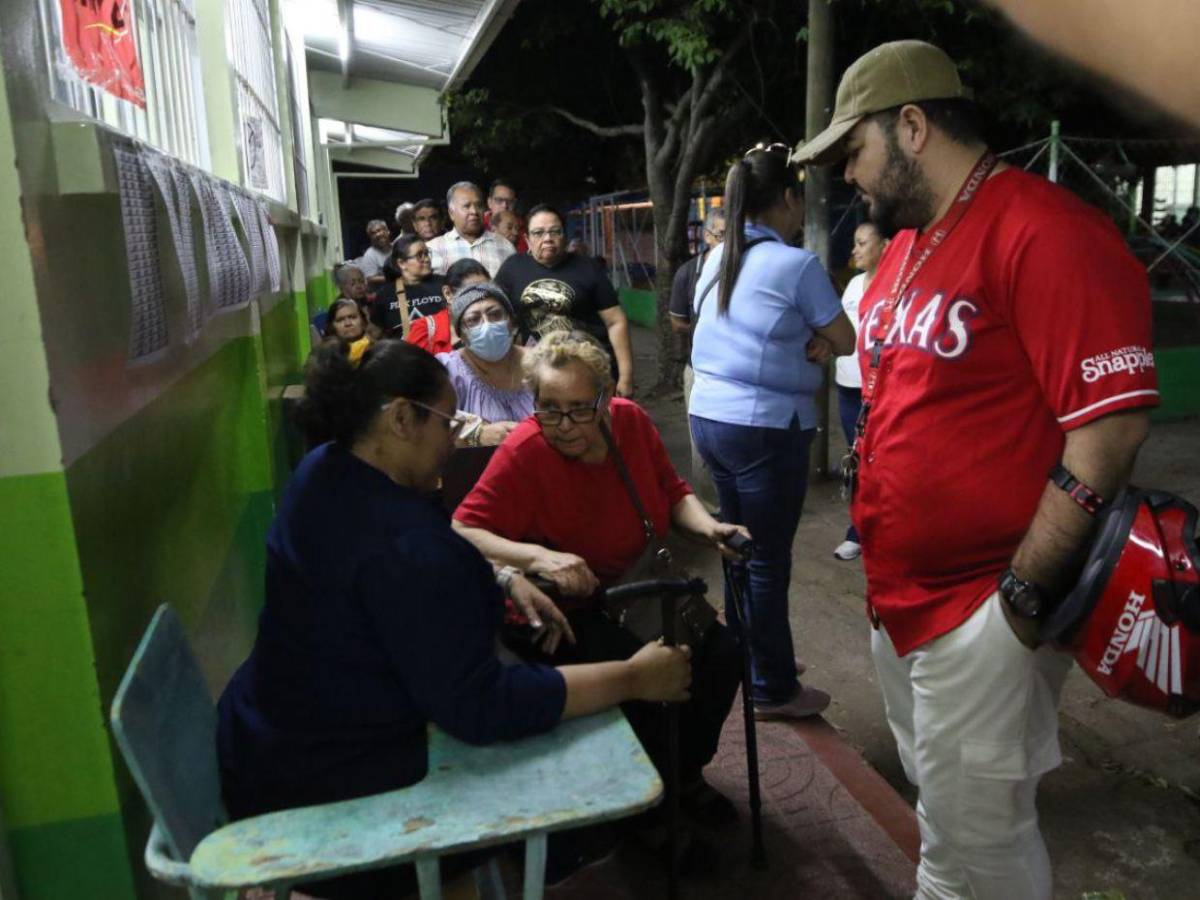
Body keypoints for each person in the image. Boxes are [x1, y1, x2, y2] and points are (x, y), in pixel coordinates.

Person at [793, 40, 1158, 899]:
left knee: (977, 858)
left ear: (912, 127)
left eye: (857, 151)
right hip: (900, 601)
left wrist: (1020, 602)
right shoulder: (913, 244)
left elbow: (1109, 434)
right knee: (947, 817)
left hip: (981, 606)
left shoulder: (1047, 230)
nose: (851, 175)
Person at [217, 338, 692, 898]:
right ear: (400, 419)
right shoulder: (407, 548)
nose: (454, 441)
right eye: (446, 423)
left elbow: (395, 585)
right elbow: (480, 705)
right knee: (559, 788)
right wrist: (634, 677)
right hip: (323, 784)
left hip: (263, 736)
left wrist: (500, 576)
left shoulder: (324, 472)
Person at [452, 330, 746, 832]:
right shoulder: (524, 450)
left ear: (606, 400)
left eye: (579, 409)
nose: (563, 426)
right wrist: (538, 557)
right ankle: (645, 808)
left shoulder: (630, 423)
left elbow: (673, 491)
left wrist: (708, 527)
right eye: (549, 408)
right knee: (649, 683)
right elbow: (461, 528)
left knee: (722, 657)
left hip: (643, 586)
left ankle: (683, 774)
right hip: (578, 607)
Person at [688, 144, 854, 722]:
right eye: (798, 199)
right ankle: (771, 686)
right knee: (764, 560)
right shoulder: (795, 264)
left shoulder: (718, 258)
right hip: (763, 431)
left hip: (710, 420)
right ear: (787, 199)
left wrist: (812, 338)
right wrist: (823, 340)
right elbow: (848, 337)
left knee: (737, 549)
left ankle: (752, 655)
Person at [495, 204, 635, 398]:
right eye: (538, 233)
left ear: (564, 235)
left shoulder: (587, 267)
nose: (547, 239)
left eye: (555, 231)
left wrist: (626, 377)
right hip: (541, 373)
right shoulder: (512, 269)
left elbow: (615, 321)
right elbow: (499, 316)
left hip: (590, 369)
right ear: (527, 239)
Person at [832, 221, 886, 562]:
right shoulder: (853, 284)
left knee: (878, 461)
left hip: (878, 390)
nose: (854, 250)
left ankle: (880, 530)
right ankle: (858, 530)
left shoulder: (896, 283)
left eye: (862, 242)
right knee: (855, 461)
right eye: (855, 242)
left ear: (885, 244)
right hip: (847, 386)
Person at [668, 208, 726, 510]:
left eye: (733, 237)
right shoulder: (688, 273)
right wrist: (708, 331)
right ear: (706, 237)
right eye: (720, 236)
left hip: (734, 372)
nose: (727, 244)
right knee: (701, 441)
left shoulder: (743, 271)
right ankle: (709, 505)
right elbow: (677, 322)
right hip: (699, 370)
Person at [439, 281, 533, 444]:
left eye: (495, 314)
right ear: (461, 334)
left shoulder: (541, 362)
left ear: (511, 322)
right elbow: (427, 414)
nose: (487, 325)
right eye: (473, 320)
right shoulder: (448, 370)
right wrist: (476, 433)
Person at [428, 182, 515, 277]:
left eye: (478, 205)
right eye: (466, 206)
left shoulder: (505, 246)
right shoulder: (433, 249)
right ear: (451, 213)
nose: (474, 211)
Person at [406, 258, 490, 356]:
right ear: (448, 294)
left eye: (486, 292)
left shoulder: (494, 324)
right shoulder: (424, 331)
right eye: (472, 293)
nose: (481, 299)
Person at [372, 234, 447, 336]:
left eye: (427, 253)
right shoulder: (386, 294)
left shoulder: (444, 284)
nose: (427, 259)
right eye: (420, 255)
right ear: (402, 263)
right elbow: (375, 331)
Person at [355, 219, 393, 286]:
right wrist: (394, 278)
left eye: (379, 230)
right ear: (370, 238)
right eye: (373, 233)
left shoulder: (397, 247)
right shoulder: (369, 255)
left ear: (387, 231)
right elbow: (370, 278)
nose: (377, 234)